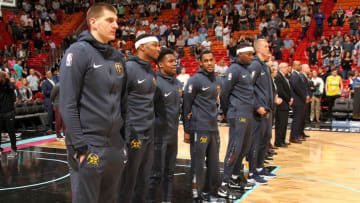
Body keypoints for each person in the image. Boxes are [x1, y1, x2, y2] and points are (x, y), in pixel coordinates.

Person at [59, 3, 128, 203]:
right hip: (89, 146)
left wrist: (123, 142)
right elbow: (67, 104)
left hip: (114, 146)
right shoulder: (78, 52)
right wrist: (81, 148)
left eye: (116, 21)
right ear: (93, 23)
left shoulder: (117, 57)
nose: (116, 25)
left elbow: (123, 104)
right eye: (110, 20)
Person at [118, 34, 160, 203]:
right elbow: (117, 102)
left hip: (149, 131)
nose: (159, 49)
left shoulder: (150, 71)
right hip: (133, 132)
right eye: (155, 45)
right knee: (129, 178)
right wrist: (123, 135)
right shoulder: (128, 68)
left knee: (144, 177)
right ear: (142, 47)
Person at [217, 43, 256, 199]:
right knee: (235, 148)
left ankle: (234, 178)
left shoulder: (245, 70)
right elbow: (224, 93)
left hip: (247, 113)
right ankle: (224, 184)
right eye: (249, 54)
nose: (251, 57)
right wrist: (228, 112)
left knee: (244, 148)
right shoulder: (233, 69)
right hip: (238, 113)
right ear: (240, 54)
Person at [183, 50, 222, 202]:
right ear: (200, 63)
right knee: (197, 164)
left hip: (214, 129)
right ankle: (196, 194)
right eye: (205, 60)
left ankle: (209, 192)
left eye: (211, 60)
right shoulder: (195, 80)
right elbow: (186, 106)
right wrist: (187, 130)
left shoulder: (217, 80)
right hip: (199, 128)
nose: (209, 63)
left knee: (214, 165)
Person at [147, 48, 182, 203]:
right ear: (160, 64)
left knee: (170, 173)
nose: (175, 64)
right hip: (158, 137)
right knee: (155, 175)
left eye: (175, 61)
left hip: (173, 135)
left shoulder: (178, 83)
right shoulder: (154, 83)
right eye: (170, 61)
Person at [247, 39, 276, 185]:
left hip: (267, 110)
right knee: (256, 142)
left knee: (264, 141)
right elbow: (248, 88)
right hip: (257, 112)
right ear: (258, 49)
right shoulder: (255, 65)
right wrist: (256, 105)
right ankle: (252, 173)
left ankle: (259, 168)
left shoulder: (264, 66)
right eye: (265, 46)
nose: (268, 48)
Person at [274, 62, 293, 147]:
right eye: (285, 67)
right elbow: (281, 91)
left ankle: (282, 140)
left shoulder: (285, 77)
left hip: (285, 103)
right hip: (282, 103)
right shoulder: (278, 77)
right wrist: (288, 99)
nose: (287, 68)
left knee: (284, 123)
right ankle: (278, 141)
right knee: (280, 124)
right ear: (280, 68)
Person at [290, 61, 308, 144]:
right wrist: (304, 96)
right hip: (297, 100)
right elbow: (297, 87)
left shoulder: (298, 75)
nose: (300, 66)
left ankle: (296, 135)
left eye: (301, 64)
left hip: (300, 100)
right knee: (297, 119)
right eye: (299, 64)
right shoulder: (294, 75)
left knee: (299, 119)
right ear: (294, 66)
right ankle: (293, 136)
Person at [0, 71, 17, 158]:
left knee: (11, 132)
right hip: (1, 112)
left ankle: (14, 149)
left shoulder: (9, 85)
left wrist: (6, 80)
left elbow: (13, 87)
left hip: (9, 112)